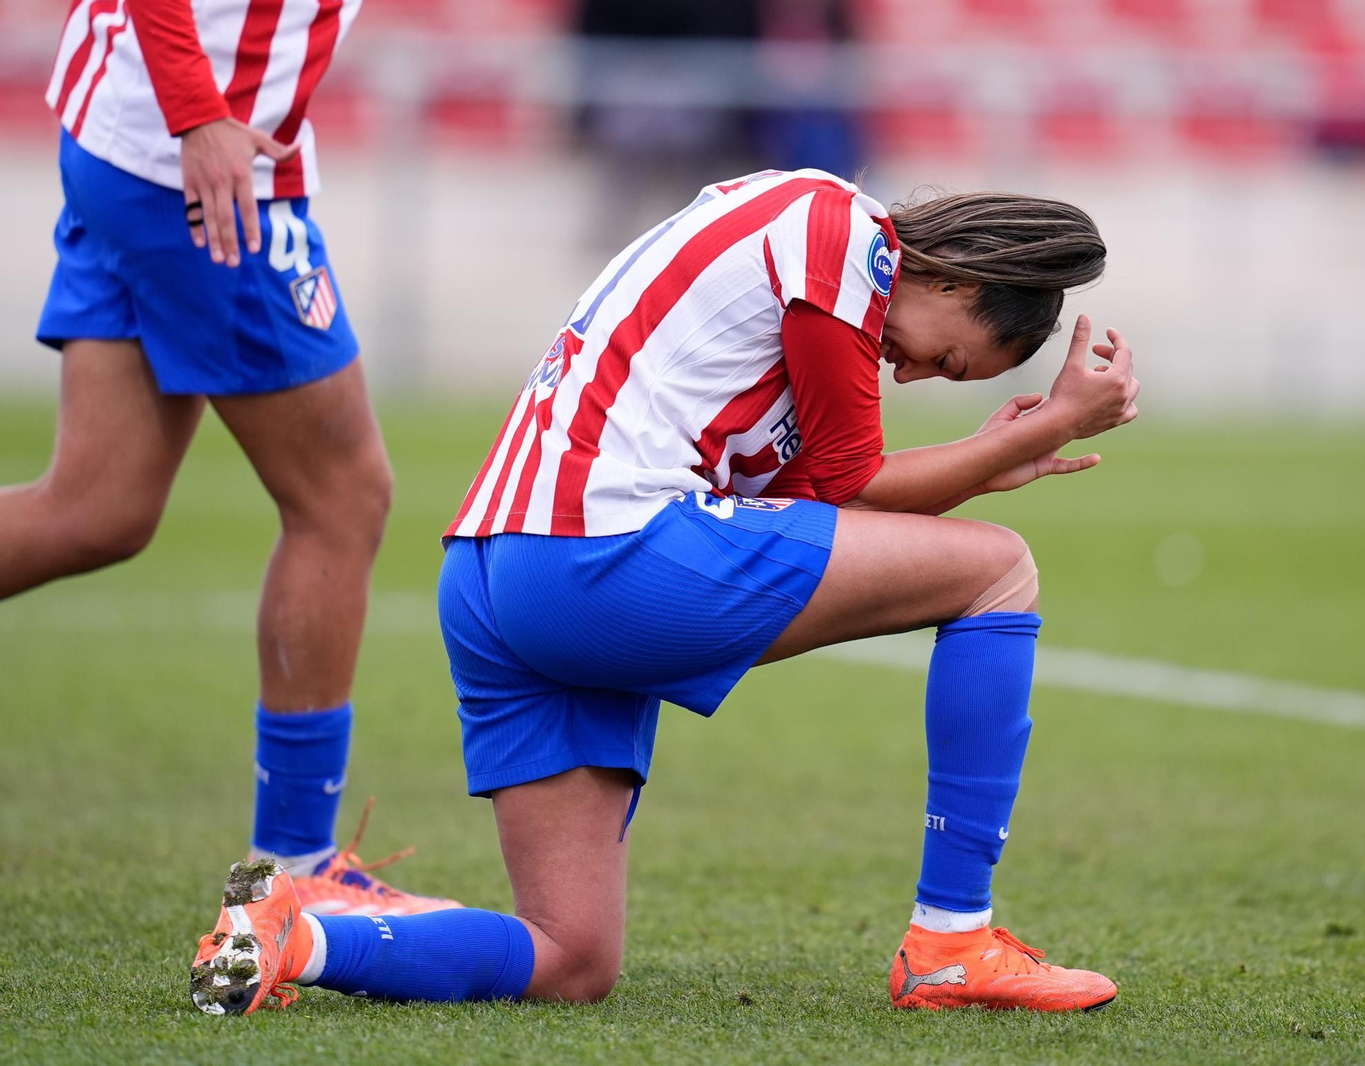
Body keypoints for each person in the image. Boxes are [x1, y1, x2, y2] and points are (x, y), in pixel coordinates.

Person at [190, 169, 1140, 1015]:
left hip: (493, 569)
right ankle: (951, 945)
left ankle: (291, 934)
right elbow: (850, 486)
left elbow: (807, 495)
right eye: (951, 359)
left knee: (571, 957)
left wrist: (985, 459)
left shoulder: (787, 252)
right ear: (957, 282)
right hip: (595, 557)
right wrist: (1032, 432)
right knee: (996, 568)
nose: (915, 372)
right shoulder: (840, 231)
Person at [9, 0, 452, 915]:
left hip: (137, 137)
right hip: (192, 157)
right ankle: (296, 863)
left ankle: (295, 857)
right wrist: (197, 114)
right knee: (343, 494)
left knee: (98, 507)